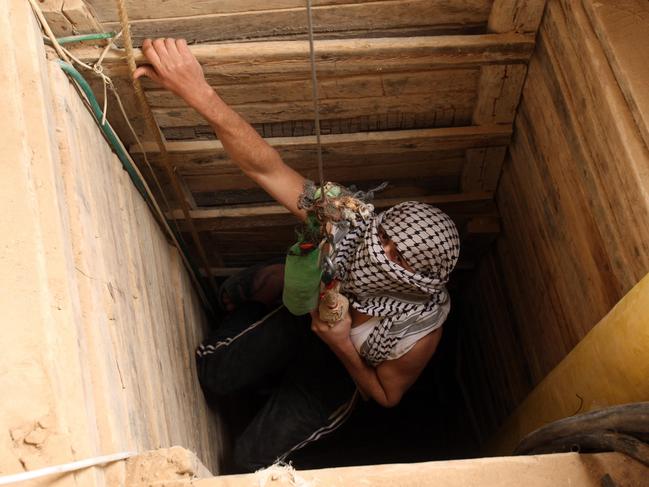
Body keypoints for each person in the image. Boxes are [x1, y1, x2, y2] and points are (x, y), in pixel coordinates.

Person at [134, 38, 460, 472]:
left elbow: (386, 395)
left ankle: (277, 298)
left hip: (342, 369)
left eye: (398, 257)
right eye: (385, 235)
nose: (380, 251)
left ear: (421, 279)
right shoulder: (351, 218)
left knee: (247, 460)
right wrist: (199, 92)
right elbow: (266, 167)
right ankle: (270, 285)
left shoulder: (418, 330)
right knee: (213, 373)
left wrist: (342, 342)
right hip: (303, 315)